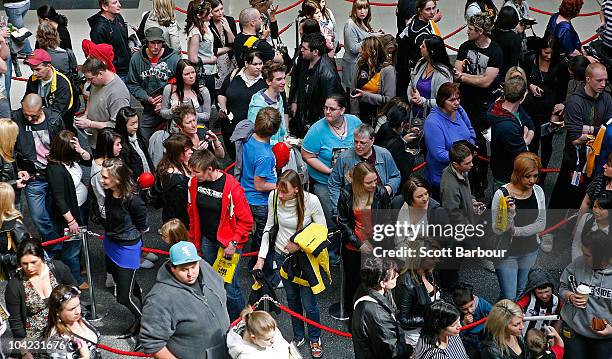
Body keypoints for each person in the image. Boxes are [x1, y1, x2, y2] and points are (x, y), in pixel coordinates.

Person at [254, 169, 326, 357]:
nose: (281, 195)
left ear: (296, 189)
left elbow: (322, 230)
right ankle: (299, 334)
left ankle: (315, 337)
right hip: (281, 257)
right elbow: (269, 227)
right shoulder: (275, 196)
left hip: (305, 260)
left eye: (285, 191)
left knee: (309, 303)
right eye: (279, 189)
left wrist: (299, 244)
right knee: (292, 298)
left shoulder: (312, 201)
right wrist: (261, 258)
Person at [187, 149, 253, 321]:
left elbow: (246, 221)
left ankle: (241, 321)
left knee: (230, 287)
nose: (193, 175)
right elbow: (193, 214)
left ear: (209, 169)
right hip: (207, 240)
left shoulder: (232, 188)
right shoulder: (194, 183)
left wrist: (234, 242)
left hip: (228, 245)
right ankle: (219, 317)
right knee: (211, 282)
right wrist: (194, 241)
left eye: (196, 172)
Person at [140, 241, 231, 359]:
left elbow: (221, 287)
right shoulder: (159, 299)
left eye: (193, 267)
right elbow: (152, 342)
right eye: (184, 269)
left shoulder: (204, 267)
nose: (191, 274)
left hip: (227, 350)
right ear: (172, 268)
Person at [549, 63, 612, 217]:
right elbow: (576, 138)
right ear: (588, 79)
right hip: (574, 160)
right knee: (564, 195)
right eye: (599, 80)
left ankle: (574, 228)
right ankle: (550, 230)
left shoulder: (607, 98)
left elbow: (609, 128)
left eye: (605, 80)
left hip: (596, 160)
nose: (603, 84)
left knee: (584, 198)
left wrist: (589, 129)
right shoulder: (575, 102)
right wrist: (599, 132)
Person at [454, 12, 503, 199]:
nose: (467, 31)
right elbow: (457, 72)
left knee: (481, 144)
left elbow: (486, 82)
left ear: (481, 32)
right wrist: (471, 78)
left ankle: (480, 179)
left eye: (471, 29)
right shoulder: (465, 47)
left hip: (483, 105)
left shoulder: (495, 52)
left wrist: (465, 78)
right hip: (465, 102)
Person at [99, 158, 148, 341]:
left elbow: (143, 226)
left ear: (117, 179)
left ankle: (146, 325)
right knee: (130, 286)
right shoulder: (110, 192)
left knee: (123, 296)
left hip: (127, 248)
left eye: (105, 177)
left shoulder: (134, 201)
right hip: (111, 243)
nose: (101, 180)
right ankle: (140, 316)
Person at [5, 239, 76, 359]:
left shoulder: (58, 268)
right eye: (24, 264)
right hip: (35, 341)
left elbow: (74, 293)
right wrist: (24, 352)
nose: (29, 267)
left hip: (63, 330)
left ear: (42, 258)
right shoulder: (15, 285)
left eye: (33, 262)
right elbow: (15, 322)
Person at [337, 162, 391, 320]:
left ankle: (373, 317)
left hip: (375, 245)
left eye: (375, 180)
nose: (374, 184)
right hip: (353, 247)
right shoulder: (347, 193)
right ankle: (354, 317)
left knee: (375, 282)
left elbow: (386, 219)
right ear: (359, 182)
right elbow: (343, 222)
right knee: (353, 283)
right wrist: (359, 244)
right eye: (369, 182)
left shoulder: (380, 192)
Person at [491, 152, 546, 300]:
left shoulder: (538, 191)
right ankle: (499, 321)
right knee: (509, 295)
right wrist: (510, 215)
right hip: (507, 252)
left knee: (520, 290)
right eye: (528, 176)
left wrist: (515, 231)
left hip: (530, 249)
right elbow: (497, 229)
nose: (532, 180)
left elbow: (541, 223)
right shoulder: (501, 194)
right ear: (517, 173)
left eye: (535, 176)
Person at [13, 94, 64, 242]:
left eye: (33, 116)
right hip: (33, 177)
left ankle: (58, 246)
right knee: (39, 218)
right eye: (26, 115)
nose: (29, 119)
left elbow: (63, 145)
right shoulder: (15, 118)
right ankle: (54, 247)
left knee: (58, 213)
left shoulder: (54, 119)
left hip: (54, 174)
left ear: (41, 109)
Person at [46, 130, 91, 288]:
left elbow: (88, 160)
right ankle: (75, 280)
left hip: (81, 207)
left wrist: (80, 150)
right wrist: (71, 221)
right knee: (71, 249)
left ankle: (78, 268)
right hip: (71, 213)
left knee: (79, 242)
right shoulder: (56, 170)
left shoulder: (71, 159)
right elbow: (59, 200)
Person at [239, 107, 279, 280]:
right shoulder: (265, 156)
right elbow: (260, 185)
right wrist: (280, 186)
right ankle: (263, 271)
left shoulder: (248, 138)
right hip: (259, 201)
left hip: (245, 194)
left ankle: (252, 263)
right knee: (265, 237)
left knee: (256, 235)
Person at [559, 230, 612, 357]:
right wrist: (570, 296)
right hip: (574, 332)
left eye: (587, 255)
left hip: (604, 339)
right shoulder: (578, 264)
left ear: (600, 255)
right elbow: (562, 287)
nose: (583, 256)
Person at [328, 124, 401, 217]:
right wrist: (339, 210)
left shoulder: (384, 154)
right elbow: (334, 184)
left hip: (381, 206)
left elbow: (395, 176)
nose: (358, 146)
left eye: (362, 143)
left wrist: (389, 188)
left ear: (372, 141)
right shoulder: (344, 158)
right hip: (355, 208)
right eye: (356, 142)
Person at [521, 36, 569, 177]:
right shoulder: (530, 59)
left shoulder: (560, 65)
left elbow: (562, 90)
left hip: (549, 110)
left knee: (547, 144)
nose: (548, 56)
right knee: (532, 142)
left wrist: (558, 109)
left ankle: (543, 173)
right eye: (545, 52)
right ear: (540, 50)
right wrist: (530, 86)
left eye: (551, 53)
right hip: (531, 109)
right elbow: (523, 78)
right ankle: (531, 171)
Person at [127, 26, 180, 140]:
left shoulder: (174, 59)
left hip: (172, 106)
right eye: (152, 43)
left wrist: (166, 102)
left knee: (175, 140)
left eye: (159, 43)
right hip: (150, 107)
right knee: (144, 138)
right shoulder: (136, 59)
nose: (156, 47)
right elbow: (132, 83)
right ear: (146, 42)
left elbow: (182, 84)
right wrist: (147, 98)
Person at [424, 83, 476, 192]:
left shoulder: (459, 110)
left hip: (463, 171)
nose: (456, 103)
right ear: (442, 101)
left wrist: (471, 147)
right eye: (452, 100)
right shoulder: (433, 122)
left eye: (458, 98)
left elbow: (470, 130)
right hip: (443, 178)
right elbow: (438, 154)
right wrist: (464, 157)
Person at [352, 257, 407, 359]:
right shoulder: (377, 314)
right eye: (394, 276)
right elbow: (390, 350)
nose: (398, 276)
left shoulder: (364, 288)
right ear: (382, 283)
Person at [291, 32, 343, 137]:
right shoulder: (305, 60)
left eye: (305, 48)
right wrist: (295, 101)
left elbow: (331, 104)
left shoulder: (328, 74)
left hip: (317, 124)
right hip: (303, 118)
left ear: (315, 52)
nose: (301, 50)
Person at [394, 239, 440, 355]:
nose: (437, 260)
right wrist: (429, 319)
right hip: (415, 337)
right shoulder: (406, 283)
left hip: (429, 330)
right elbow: (402, 319)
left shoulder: (431, 272)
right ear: (420, 259)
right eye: (433, 257)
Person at [217, 48, 266, 160]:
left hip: (255, 131)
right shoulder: (234, 75)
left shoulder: (266, 80)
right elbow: (221, 93)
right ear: (246, 63)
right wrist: (223, 108)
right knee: (235, 161)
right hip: (231, 128)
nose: (258, 67)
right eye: (254, 64)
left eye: (260, 63)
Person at [75, 56, 130, 149]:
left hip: (108, 146)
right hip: (94, 140)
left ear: (100, 73)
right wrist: (86, 114)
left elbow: (117, 125)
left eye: (90, 79)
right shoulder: (96, 82)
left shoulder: (118, 94)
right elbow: (90, 97)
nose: (88, 82)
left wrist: (90, 124)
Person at [489, 77, 534, 185]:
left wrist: (526, 137)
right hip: (507, 177)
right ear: (522, 96)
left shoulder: (515, 109)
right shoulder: (507, 127)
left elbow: (530, 124)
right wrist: (526, 140)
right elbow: (522, 153)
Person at [24, 48, 77, 133]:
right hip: (39, 121)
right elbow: (27, 98)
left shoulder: (63, 83)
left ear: (48, 66)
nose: (34, 73)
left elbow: (58, 112)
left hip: (60, 126)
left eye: (38, 69)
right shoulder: (33, 79)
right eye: (32, 70)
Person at [42, 285, 100, 359]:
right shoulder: (56, 340)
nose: (78, 311)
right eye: (72, 309)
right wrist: (84, 357)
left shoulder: (77, 319)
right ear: (57, 311)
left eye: (78, 305)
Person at [390, 177, 449, 248]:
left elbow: (445, 239)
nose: (425, 198)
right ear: (409, 198)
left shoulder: (437, 212)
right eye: (419, 196)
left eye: (426, 193)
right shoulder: (397, 203)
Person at [407, 35, 453, 123]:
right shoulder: (421, 63)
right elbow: (411, 84)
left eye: (423, 46)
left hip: (434, 120)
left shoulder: (443, 74)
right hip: (415, 117)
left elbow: (445, 101)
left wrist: (423, 101)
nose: (420, 47)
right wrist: (411, 98)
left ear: (431, 51)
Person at [351, 36, 396, 125]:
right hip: (360, 114)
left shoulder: (387, 69)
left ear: (372, 52)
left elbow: (390, 99)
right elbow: (353, 91)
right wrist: (354, 114)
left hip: (378, 117)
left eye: (363, 49)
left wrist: (365, 96)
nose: (360, 51)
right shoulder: (360, 65)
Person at [151, 133, 193, 227]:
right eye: (187, 150)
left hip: (171, 214)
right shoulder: (177, 181)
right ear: (176, 153)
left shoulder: (166, 164)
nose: (191, 152)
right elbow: (181, 208)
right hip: (180, 221)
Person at [396, 0, 436, 99]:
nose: (432, 12)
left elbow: (400, 37)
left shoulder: (413, 19)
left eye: (434, 8)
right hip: (417, 71)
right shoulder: (422, 33)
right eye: (428, 9)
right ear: (420, 10)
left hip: (407, 65)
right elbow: (424, 56)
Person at [373, 101, 416, 185]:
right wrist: (410, 155)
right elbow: (405, 171)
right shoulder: (397, 145)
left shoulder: (384, 126)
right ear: (402, 123)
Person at [88, 0, 131, 80]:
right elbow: (100, 57)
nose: (119, 5)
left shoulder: (118, 18)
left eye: (118, 1)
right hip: (115, 72)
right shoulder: (99, 28)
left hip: (127, 68)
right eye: (115, 3)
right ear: (105, 7)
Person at [247, 61, 288, 144]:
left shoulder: (279, 98)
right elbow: (253, 136)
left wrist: (286, 137)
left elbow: (282, 126)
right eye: (279, 79)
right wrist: (278, 144)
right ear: (268, 81)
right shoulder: (257, 106)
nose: (283, 82)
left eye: (284, 78)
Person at [440, 142, 479, 226]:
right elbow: (453, 213)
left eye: (471, 161)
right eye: (467, 163)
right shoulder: (450, 186)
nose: (471, 165)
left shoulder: (462, 170)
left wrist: (471, 200)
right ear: (456, 164)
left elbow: (464, 191)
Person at [227, 307, 291, 358]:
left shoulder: (267, 330)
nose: (273, 341)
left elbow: (281, 343)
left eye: (273, 336)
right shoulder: (246, 356)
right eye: (267, 339)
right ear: (253, 337)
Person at [185, 0, 218, 98]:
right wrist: (211, 60)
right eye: (208, 12)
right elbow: (193, 58)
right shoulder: (195, 32)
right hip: (203, 73)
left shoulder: (204, 26)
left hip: (210, 71)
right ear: (199, 15)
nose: (211, 15)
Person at [516, 268, 563, 335]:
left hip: (543, 339)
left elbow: (558, 320)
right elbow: (515, 308)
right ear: (534, 291)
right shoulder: (527, 298)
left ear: (552, 289)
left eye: (547, 291)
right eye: (540, 293)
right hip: (523, 337)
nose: (544, 296)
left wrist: (555, 336)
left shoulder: (557, 302)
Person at [342, 0, 377, 90]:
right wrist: (371, 37)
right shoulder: (350, 24)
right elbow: (353, 48)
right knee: (352, 95)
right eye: (359, 8)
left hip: (363, 66)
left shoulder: (364, 22)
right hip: (353, 67)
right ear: (354, 9)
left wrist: (376, 35)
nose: (362, 11)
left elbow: (364, 37)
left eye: (365, 8)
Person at [452, 283, 492, 358]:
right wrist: (464, 323)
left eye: (471, 305)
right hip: (471, 337)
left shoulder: (481, 303)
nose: (470, 311)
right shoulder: (456, 314)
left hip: (485, 331)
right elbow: (456, 334)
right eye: (464, 309)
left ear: (474, 298)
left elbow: (494, 312)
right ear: (458, 307)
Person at [115, 106, 154, 181]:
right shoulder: (120, 146)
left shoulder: (139, 138)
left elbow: (147, 158)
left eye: (137, 122)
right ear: (123, 125)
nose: (136, 126)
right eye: (132, 124)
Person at [0, 183, 29, 280]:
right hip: (11, 271)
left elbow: (26, 252)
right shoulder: (10, 222)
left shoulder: (14, 224)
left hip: (15, 271)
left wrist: (4, 258)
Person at [0, 118, 28, 209]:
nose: (16, 139)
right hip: (4, 201)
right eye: (14, 136)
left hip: (14, 196)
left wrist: (18, 173)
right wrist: (14, 183)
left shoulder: (9, 149)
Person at [573, 194, 611, 260]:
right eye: (595, 206)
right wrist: (578, 263)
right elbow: (576, 244)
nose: (596, 211)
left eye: (601, 208)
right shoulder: (586, 218)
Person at [209, 0, 237, 90]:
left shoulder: (230, 20)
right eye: (216, 11)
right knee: (219, 89)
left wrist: (228, 29)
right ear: (210, 12)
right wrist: (228, 48)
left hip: (232, 60)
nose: (220, 13)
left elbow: (234, 43)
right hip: (216, 63)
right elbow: (212, 50)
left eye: (222, 9)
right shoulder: (207, 25)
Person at [492, 6, 522, 79]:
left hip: (492, 68)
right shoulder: (515, 38)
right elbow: (514, 62)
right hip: (505, 73)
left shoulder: (493, 31)